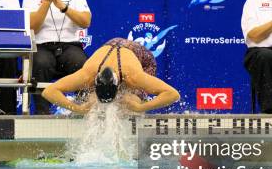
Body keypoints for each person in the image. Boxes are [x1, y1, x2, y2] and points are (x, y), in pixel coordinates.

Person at [22, 0, 92, 114]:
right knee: (41, 63)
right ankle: (42, 115)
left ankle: (83, 112)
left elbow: (85, 22)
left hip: (70, 46)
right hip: (42, 46)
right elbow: (32, 27)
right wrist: (47, 1)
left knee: (81, 63)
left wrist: (63, 7)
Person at [41, 38, 180, 114]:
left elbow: (173, 94)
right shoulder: (88, 73)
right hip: (111, 47)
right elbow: (49, 91)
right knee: (91, 102)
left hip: (140, 58)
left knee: (129, 101)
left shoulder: (134, 76)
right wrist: (78, 109)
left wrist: (141, 108)